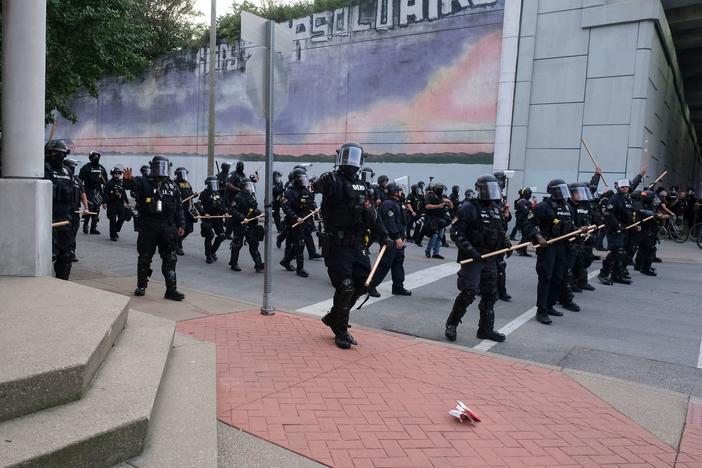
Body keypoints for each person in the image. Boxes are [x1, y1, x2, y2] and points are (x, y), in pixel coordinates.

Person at [312, 142, 386, 349]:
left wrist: (385, 236)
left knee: (364, 283)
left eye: (354, 157)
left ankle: (334, 317)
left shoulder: (364, 186)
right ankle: (341, 331)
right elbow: (315, 188)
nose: (350, 162)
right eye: (347, 156)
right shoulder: (332, 180)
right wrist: (320, 181)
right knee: (345, 287)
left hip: (357, 244)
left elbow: (372, 215)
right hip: (337, 244)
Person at [445, 174, 509, 343]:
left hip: (491, 258)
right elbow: (456, 232)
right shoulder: (469, 207)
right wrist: (471, 251)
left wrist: (506, 244)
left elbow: (500, 230)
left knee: (490, 294)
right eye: (488, 189)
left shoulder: (496, 208)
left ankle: (486, 329)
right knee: (468, 292)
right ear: (479, 189)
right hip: (474, 258)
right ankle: (451, 324)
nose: (492, 193)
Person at [522, 179, 587, 325]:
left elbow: (569, 227)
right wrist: (538, 236)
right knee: (546, 278)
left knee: (559, 277)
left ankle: (550, 305)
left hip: (562, 246)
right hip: (548, 246)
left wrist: (578, 230)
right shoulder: (543, 207)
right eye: (560, 190)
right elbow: (527, 224)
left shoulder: (567, 206)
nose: (563, 193)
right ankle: (542, 310)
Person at [123, 156, 186, 300]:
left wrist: (181, 224)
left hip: (167, 227)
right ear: (152, 166)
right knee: (145, 257)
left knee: (170, 258)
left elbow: (179, 208)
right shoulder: (144, 181)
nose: (161, 169)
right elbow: (131, 185)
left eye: (164, 166)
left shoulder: (172, 186)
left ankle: (171, 290)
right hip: (149, 225)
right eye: (158, 166)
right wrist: (127, 180)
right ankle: (141, 286)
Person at [368, 182, 412, 297]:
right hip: (391, 239)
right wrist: (397, 237)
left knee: (398, 262)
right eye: (399, 190)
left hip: (398, 238)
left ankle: (398, 286)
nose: (401, 192)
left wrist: (402, 237)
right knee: (384, 264)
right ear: (394, 192)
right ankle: (371, 286)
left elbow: (401, 222)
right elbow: (390, 222)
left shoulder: (397, 203)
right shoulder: (388, 204)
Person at [45, 139, 78, 280]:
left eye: (62, 154)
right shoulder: (43, 169)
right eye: (55, 153)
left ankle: (62, 285)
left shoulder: (67, 171)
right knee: (48, 256)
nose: (59, 157)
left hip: (65, 220)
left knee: (67, 256)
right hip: (47, 221)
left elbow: (72, 195)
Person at [599, 178, 639, 285]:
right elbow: (608, 213)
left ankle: (617, 275)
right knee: (617, 252)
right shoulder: (615, 199)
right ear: (618, 188)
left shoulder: (627, 199)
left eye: (626, 186)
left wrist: (634, 225)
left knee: (622, 254)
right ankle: (603, 274)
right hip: (614, 230)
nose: (625, 188)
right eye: (622, 187)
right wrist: (618, 225)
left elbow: (630, 215)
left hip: (625, 230)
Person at [280, 168, 315, 277]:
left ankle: (286, 261)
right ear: (295, 179)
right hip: (295, 221)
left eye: (304, 178)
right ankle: (300, 269)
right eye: (301, 178)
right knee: (300, 244)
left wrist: (314, 208)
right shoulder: (290, 192)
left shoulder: (305, 190)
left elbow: (309, 202)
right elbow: (285, 207)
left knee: (298, 243)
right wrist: (296, 217)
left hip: (304, 220)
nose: (303, 180)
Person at [229, 180, 265, 272]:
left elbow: (253, 209)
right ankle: (233, 263)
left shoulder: (251, 196)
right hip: (240, 224)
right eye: (247, 186)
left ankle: (258, 264)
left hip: (251, 224)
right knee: (237, 244)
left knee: (253, 244)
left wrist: (258, 212)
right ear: (242, 187)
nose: (249, 187)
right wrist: (242, 217)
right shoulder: (238, 197)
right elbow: (232, 210)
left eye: (250, 185)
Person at [568, 182, 596, 292]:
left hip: (584, 238)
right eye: (577, 193)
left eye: (581, 193)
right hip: (573, 238)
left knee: (584, 260)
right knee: (573, 263)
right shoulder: (569, 206)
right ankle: (571, 283)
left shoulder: (585, 205)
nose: (580, 195)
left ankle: (581, 281)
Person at [63, 158, 89, 262]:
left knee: (73, 232)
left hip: (75, 210)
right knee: (64, 232)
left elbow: (83, 194)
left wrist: (86, 208)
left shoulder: (77, 180)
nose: (72, 169)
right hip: (64, 210)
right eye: (71, 167)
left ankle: (71, 252)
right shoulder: (62, 178)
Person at [199, 176, 227, 264]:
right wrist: (204, 213)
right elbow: (198, 205)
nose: (215, 186)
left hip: (217, 217)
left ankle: (212, 252)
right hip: (208, 218)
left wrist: (225, 212)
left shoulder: (218, 193)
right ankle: (208, 255)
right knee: (209, 236)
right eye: (212, 184)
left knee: (222, 235)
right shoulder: (204, 193)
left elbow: (221, 205)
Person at [632, 190, 660, 276]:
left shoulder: (648, 205)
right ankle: (620, 269)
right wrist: (653, 214)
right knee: (629, 250)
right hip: (638, 229)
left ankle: (642, 266)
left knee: (647, 248)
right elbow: (640, 211)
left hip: (645, 229)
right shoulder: (638, 204)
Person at [78, 150, 107, 235]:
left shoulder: (101, 168)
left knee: (97, 209)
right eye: (94, 156)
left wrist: (105, 196)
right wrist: (81, 193)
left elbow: (106, 182)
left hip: (98, 191)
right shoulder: (86, 167)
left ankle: (93, 228)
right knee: (90, 208)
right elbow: (80, 181)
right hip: (88, 190)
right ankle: (85, 225)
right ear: (90, 158)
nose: (96, 158)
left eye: (97, 156)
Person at [424, 182, 452, 259]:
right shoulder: (429, 196)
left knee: (440, 236)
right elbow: (427, 206)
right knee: (434, 235)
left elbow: (451, 207)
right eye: (440, 189)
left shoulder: (442, 197)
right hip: (433, 219)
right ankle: (428, 250)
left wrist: (449, 202)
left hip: (441, 219)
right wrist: (439, 206)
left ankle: (436, 253)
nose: (441, 191)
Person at [104, 166, 130, 241]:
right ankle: (113, 235)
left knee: (122, 217)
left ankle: (115, 230)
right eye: (115, 173)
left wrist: (127, 202)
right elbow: (105, 193)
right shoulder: (109, 183)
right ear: (112, 174)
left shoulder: (122, 182)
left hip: (120, 203)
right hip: (111, 203)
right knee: (112, 219)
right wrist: (104, 202)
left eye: (119, 173)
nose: (117, 174)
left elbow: (124, 192)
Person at [174, 167, 196, 255]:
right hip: (179, 209)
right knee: (181, 228)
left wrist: (193, 195)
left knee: (189, 229)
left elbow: (190, 193)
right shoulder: (174, 183)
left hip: (188, 209)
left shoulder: (187, 183)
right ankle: (178, 246)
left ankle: (175, 241)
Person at [513, 187, 533, 256]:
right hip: (523, 221)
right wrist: (530, 211)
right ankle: (520, 248)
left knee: (526, 236)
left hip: (524, 221)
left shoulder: (523, 201)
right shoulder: (522, 201)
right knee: (526, 236)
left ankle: (523, 250)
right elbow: (526, 211)